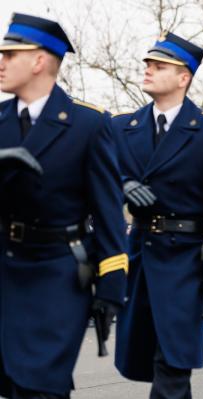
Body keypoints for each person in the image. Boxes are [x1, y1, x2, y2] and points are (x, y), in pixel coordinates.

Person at [0, 13, 128, 398]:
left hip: (57, 272)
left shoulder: (88, 124)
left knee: (41, 386)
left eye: (10, 54)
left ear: (39, 61)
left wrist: (111, 288)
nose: (1, 62)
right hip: (4, 266)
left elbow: (108, 212)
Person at [112, 31, 203, 398]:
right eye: (148, 64)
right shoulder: (124, 126)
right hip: (138, 253)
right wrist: (123, 184)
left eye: (159, 65)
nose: (148, 70)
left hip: (186, 260)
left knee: (173, 364)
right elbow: (100, 174)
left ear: (184, 77)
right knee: (151, 360)